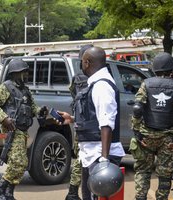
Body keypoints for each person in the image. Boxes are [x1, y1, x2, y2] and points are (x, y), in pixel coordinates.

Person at [57, 46, 125, 200]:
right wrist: (72, 118)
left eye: (82, 62)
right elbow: (96, 118)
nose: (81, 65)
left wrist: (104, 160)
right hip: (91, 153)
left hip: (99, 154)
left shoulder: (102, 85)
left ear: (87, 62)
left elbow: (106, 123)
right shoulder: (95, 84)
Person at [0, 59, 48, 200]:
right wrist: (4, 118)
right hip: (12, 130)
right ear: (16, 73)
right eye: (24, 72)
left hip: (23, 130)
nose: (26, 75)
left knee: (21, 164)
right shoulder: (6, 87)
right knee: (18, 162)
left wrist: (41, 111)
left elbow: (33, 108)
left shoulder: (25, 90)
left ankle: (9, 193)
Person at [130, 52, 173, 200]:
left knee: (143, 170)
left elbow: (137, 108)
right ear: (171, 69)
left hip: (146, 136)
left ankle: (140, 197)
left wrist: (136, 131)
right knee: (165, 174)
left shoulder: (146, 83)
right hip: (167, 138)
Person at [65, 44, 93, 200]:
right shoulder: (98, 77)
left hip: (79, 123)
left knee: (79, 158)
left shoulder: (76, 78)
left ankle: (73, 192)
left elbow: (72, 94)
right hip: (93, 126)